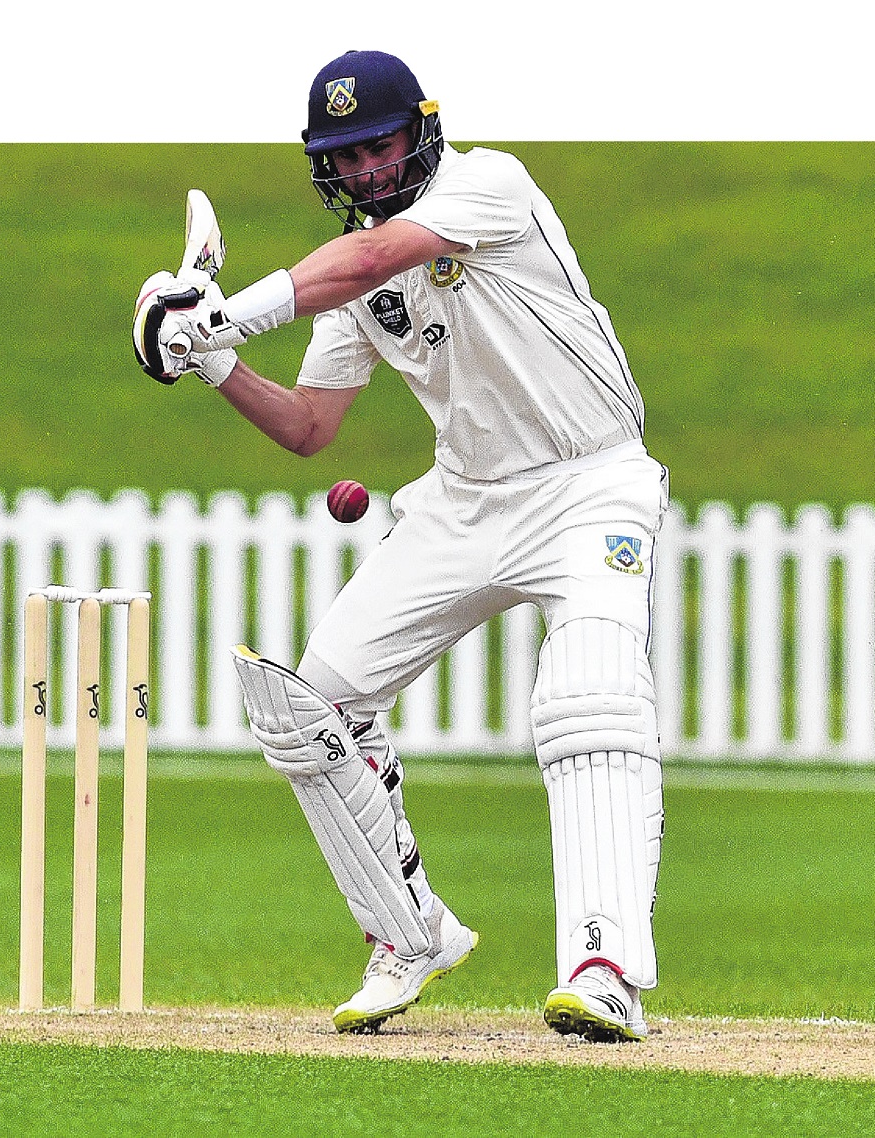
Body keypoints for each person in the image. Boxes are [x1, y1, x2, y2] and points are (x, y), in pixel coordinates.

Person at [133, 49, 668, 1043]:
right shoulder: (343, 279)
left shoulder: (488, 184)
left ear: (419, 128)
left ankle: (601, 967)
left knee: (588, 693)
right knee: (308, 707)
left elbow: (377, 258)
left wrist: (220, 309)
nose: (369, 172)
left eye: (378, 146)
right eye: (345, 157)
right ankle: (408, 931)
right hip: (464, 503)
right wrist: (210, 361)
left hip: (587, 482)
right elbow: (308, 426)